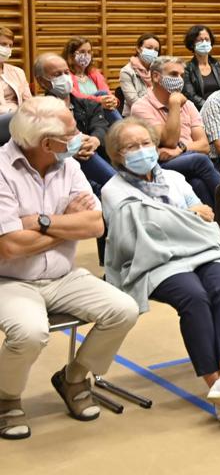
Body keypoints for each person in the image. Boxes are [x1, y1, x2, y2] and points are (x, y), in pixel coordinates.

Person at [101, 118, 220, 422]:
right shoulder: (113, 189)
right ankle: (217, 388)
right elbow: (145, 234)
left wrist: (175, 219)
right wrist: (185, 216)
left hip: (199, 250)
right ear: (118, 155)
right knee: (193, 296)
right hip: (153, 260)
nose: (141, 150)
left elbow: (205, 215)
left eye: (146, 143)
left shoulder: (175, 179)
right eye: (131, 147)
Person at [0, 97, 138, 440]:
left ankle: (73, 377)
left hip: (63, 276)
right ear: (47, 143)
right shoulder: (1, 171)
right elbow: (9, 247)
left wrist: (39, 222)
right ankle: (5, 398)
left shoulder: (69, 165)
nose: (79, 136)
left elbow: (95, 225)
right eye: (71, 132)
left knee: (124, 309)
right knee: (30, 333)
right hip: (9, 279)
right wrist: (64, 228)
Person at [129, 55, 220, 206]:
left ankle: (216, 224)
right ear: (156, 77)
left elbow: (204, 146)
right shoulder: (141, 107)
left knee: (197, 184)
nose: (179, 79)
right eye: (173, 74)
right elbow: (169, 142)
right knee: (201, 161)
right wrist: (174, 105)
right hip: (161, 164)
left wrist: (181, 150)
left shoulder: (188, 104)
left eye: (181, 75)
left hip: (186, 158)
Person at [32, 53, 117, 188]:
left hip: (96, 157)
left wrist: (95, 140)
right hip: (63, 167)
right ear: (41, 81)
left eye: (66, 72)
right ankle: (121, 188)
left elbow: (101, 127)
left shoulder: (89, 104)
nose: (64, 78)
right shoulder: (40, 111)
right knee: (82, 151)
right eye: (57, 74)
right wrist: (70, 148)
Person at [63, 36, 121, 123]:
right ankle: (122, 128)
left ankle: (121, 129)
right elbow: (76, 97)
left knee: (104, 94)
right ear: (71, 55)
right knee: (102, 94)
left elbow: (107, 92)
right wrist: (99, 101)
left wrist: (114, 100)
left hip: (100, 114)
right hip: (81, 113)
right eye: (82, 52)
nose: (86, 55)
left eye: (89, 52)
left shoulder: (94, 73)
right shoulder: (66, 75)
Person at [119, 33, 161, 116]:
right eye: (149, 48)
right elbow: (134, 101)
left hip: (158, 113)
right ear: (138, 49)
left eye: (156, 50)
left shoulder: (159, 70)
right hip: (135, 116)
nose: (153, 52)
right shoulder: (126, 71)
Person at [182, 25, 220, 110]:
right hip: (199, 112)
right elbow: (190, 96)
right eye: (200, 40)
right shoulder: (187, 69)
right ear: (192, 44)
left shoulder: (219, 65)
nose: (204, 43)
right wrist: (210, 107)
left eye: (207, 39)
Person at [0, 26, 30, 114]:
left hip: (18, 119)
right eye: (3, 44)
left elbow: (28, 101)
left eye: (10, 45)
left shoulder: (18, 72)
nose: (7, 49)